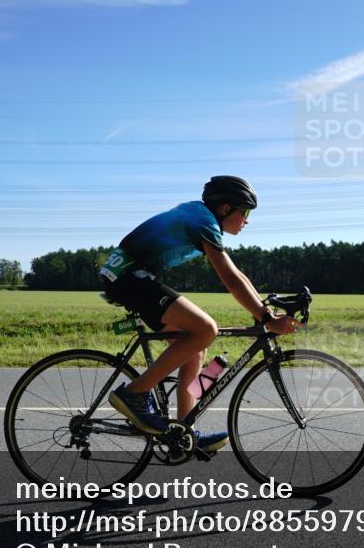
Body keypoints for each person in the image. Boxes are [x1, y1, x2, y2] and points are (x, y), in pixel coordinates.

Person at [99, 176, 300, 453]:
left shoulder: (201, 216)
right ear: (227, 208)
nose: (247, 221)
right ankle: (134, 393)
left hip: (130, 276)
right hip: (129, 277)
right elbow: (230, 279)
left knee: (195, 350)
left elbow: (238, 274)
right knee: (206, 329)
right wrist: (267, 320)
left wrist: (264, 309)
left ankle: (182, 434)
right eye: (246, 212)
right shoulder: (202, 219)